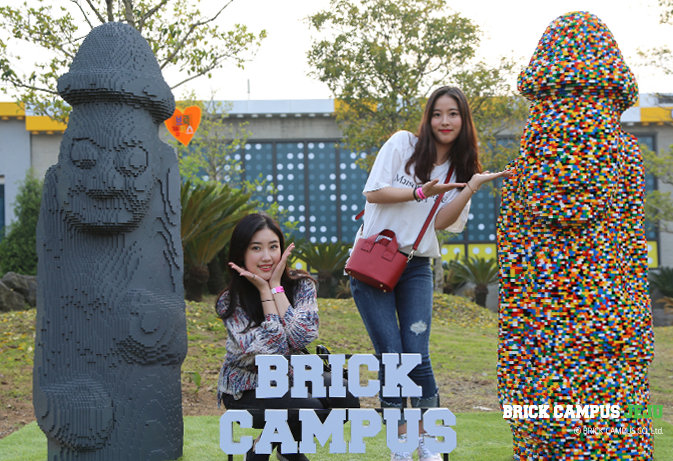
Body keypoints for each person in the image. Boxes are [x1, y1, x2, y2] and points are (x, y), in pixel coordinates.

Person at [349, 86, 513, 461]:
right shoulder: (402, 144)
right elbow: (373, 192)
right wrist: (420, 192)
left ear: (463, 120)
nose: (444, 121)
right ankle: (401, 445)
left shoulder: (460, 167)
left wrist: (471, 187)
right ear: (428, 117)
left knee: (417, 355)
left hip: (416, 266)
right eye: (437, 113)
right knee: (392, 356)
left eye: (453, 114)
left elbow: (441, 223)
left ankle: (426, 441)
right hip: (374, 261)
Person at [217, 213, 359, 461]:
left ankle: (281, 448)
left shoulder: (302, 285)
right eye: (256, 248)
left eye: (273, 247)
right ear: (241, 254)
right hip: (247, 387)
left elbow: (302, 337)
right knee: (308, 407)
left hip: (293, 376)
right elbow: (273, 352)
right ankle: (268, 451)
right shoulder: (230, 301)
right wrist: (264, 293)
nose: (267, 257)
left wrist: (276, 288)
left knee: (346, 397)